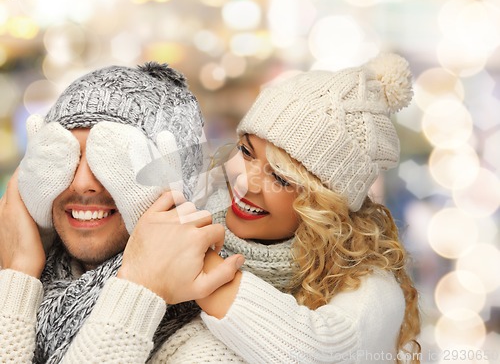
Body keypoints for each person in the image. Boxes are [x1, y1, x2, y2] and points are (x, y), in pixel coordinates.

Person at [145, 53, 422, 363]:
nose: (245, 183)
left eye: (280, 176)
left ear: (326, 203)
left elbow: (319, 351)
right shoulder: (200, 208)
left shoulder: (372, 289)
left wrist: (196, 260)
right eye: (247, 152)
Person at [0, 62, 241, 363]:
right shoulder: (18, 275)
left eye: (114, 161)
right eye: (63, 157)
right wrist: (19, 271)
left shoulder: (205, 345)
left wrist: (139, 287)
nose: (82, 183)